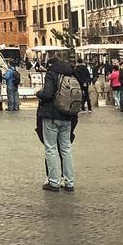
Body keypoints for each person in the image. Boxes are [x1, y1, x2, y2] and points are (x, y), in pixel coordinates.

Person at [35, 57, 79, 191]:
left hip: (52, 116)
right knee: (66, 149)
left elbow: (48, 94)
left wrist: (38, 93)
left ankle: (53, 182)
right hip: (68, 116)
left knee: (51, 148)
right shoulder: (70, 74)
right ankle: (69, 182)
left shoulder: (52, 74)